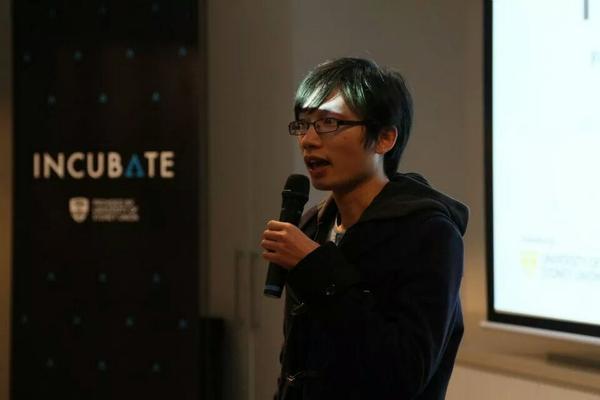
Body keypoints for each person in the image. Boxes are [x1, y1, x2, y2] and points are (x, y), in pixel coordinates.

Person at [260, 57, 468, 400]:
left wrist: (317, 269)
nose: (308, 140)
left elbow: (405, 374)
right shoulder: (312, 225)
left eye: (328, 122)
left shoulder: (428, 234)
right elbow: (295, 364)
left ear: (384, 138)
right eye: (303, 124)